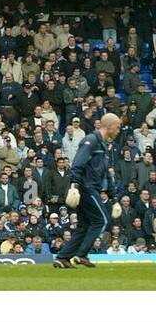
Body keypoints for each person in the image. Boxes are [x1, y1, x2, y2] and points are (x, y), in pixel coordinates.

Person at [53, 112, 122, 270]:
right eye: (117, 127)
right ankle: (82, 255)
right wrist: (74, 185)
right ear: (110, 126)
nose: (119, 130)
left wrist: (114, 198)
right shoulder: (91, 141)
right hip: (86, 188)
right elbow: (77, 163)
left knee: (84, 226)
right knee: (101, 220)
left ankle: (63, 257)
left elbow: (106, 174)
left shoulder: (103, 145)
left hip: (90, 187)